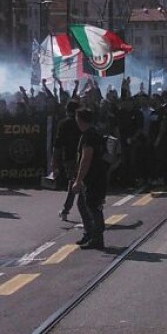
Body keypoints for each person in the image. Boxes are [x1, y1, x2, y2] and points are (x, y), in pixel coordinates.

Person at [69, 106, 108, 249]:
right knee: (83, 204)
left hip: (93, 177)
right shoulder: (93, 133)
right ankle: (89, 233)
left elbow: (86, 159)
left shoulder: (89, 136)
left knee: (93, 207)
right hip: (96, 175)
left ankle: (97, 238)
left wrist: (78, 181)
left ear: (80, 120)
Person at [52, 99, 81, 221]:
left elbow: (58, 144)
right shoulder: (80, 123)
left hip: (68, 157)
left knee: (74, 183)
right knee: (77, 182)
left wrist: (55, 161)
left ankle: (66, 210)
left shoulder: (63, 124)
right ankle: (66, 209)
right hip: (82, 155)